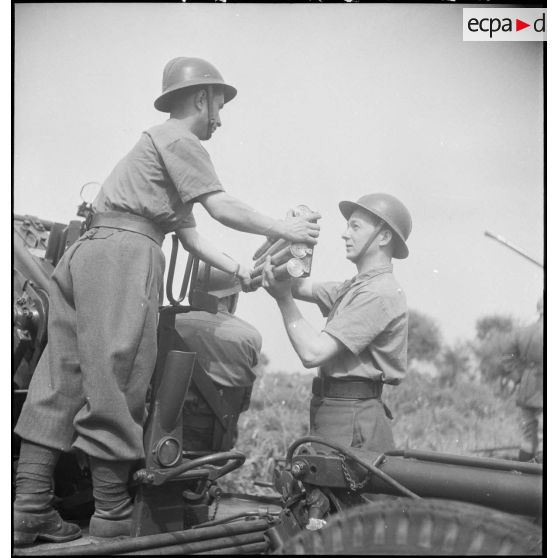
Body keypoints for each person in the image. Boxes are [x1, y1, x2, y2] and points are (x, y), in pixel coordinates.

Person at [13, 56, 320, 545]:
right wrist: (285, 229)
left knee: (59, 379)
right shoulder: (181, 139)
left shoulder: (156, 148)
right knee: (119, 378)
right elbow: (221, 206)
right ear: (201, 98)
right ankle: (112, 512)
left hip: (87, 252)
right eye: (219, 105)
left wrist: (241, 271)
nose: (221, 118)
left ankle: (28, 509)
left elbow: (191, 236)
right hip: (126, 255)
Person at [262, 193, 411, 454]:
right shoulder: (356, 287)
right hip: (338, 410)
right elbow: (299, 285)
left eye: (355, 227)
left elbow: (313, 353)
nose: (345, 234)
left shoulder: (378, 293)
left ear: (384, 237)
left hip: (351, 416)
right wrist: (287, 241)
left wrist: (283, 300)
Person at [175, 263, 262, 452]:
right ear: (232, 297)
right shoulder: (250, 337)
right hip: (217, 443)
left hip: (163, 437)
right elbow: (242, 401)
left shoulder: (168, 322)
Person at [504, 297, 544, 462]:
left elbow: (507, 357)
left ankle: (522, 472)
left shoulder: (522, 332)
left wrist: (519, 377)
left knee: (528, 436)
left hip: (527, 387)